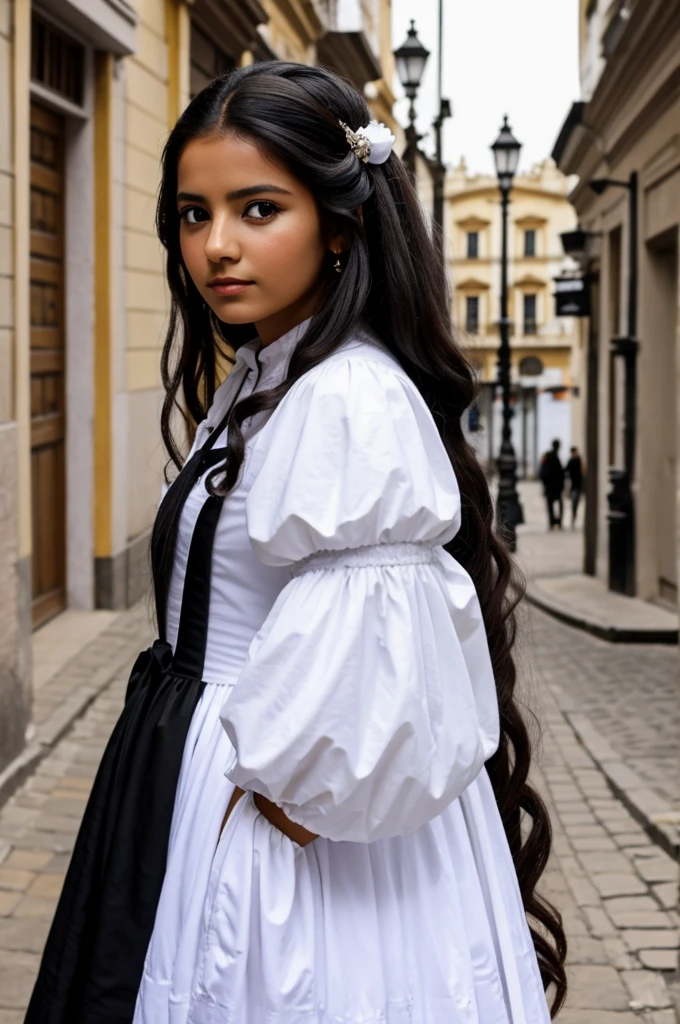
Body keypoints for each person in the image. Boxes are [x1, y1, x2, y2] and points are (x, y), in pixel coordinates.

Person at [25, 62, 566, 1023]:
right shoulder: (268, 372)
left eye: (258, 209)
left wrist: (267, 812)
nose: (217, 246)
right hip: (206, 762)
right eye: (194, 214)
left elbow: (373, 665)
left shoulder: (346, 393)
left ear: (341, 224)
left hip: (281, 807)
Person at [540, 439, 566, 530]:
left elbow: (543, 472)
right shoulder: (554, 458)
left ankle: (553, 521)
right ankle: (557, 521)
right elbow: (560, 473)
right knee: (558, 504)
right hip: (555, 487)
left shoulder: (548, 456)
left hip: (550, 486)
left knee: (550, 505)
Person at [566, 445, 584, 527]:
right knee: (574, 503)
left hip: (578, 485)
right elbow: (566, 470)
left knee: (575, 502)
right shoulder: (571, 461)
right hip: (573, 486)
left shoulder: (579, 461)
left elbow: (582, 474)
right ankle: (574, 515)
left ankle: (574, 515)